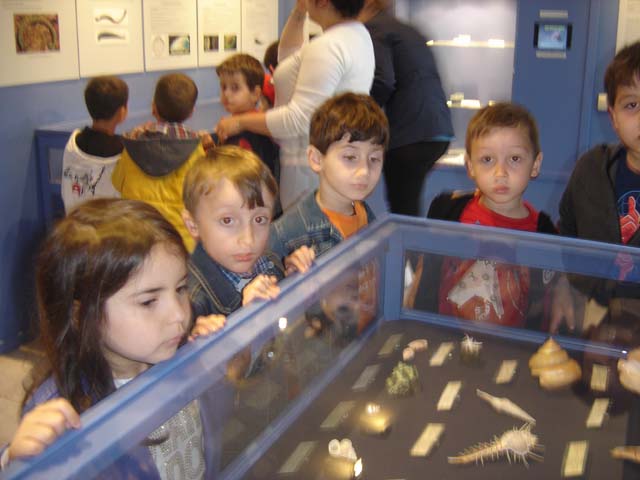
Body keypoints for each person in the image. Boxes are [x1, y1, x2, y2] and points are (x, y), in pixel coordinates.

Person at [1, 199, 226, 476]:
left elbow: (216, 420)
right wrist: (17, 463)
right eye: (148, 302)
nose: (179, 314)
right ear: (81, 314)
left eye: (180, 289)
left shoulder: (179, 352)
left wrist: (218, 359)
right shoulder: (65, 413)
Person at [414, 103, 563, 329]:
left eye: (514, 159)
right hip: (445, 338)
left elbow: (543, 304)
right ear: (470, 166)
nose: (500, 173)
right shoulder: (447, 211)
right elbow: (425, 278)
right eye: (487, 160)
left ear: (535, 164)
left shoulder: (543, 232)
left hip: (510, 345)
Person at [215, 0, 375, 210]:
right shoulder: (354, 35)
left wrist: (240, 122)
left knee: (308, 227)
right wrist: (300, 11)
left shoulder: (328, 45)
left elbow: (299, 119)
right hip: (323, 162)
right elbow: (288, 59)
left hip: (307, 168)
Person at [268, 92, 388, 271]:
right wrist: (287, 279)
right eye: (350, 157)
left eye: (374, 159)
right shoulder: (285, 235)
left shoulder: (367, 215)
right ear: (316, 159)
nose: (364, 171)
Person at [358, 0, 453, 216]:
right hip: (436, 130)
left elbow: (383, 80)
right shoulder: (405, 29)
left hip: (409, 134)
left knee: (403, 212)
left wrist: (357, 116)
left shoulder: (374, 29)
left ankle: (409, 240)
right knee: (407, 206)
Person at [182, 145, 291, 318]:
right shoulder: (191, 305)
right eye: (228, 220)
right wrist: (242, 315)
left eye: (259, 219)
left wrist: (292, 278)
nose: (248, 240)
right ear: (193, 225)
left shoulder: (268, 261)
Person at [112, 73, 213, 252]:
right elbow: (205, 192)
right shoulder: (195, 149)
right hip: (181, 242)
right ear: (191, 112)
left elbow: (117, 181)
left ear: (154, 108)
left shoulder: (133, 145)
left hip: (138, 240)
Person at [61, 76, 128, 212]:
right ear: (122, 112)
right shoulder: (124, 153)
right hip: (111, 224)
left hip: (74, 221)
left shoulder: (72, 144)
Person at [215, 54, 279, 180]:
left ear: (255, 93)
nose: (226, 93)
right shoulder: (234, 124)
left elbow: (236, 172)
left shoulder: (249, 130)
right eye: (223, 87)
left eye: (235, 88)